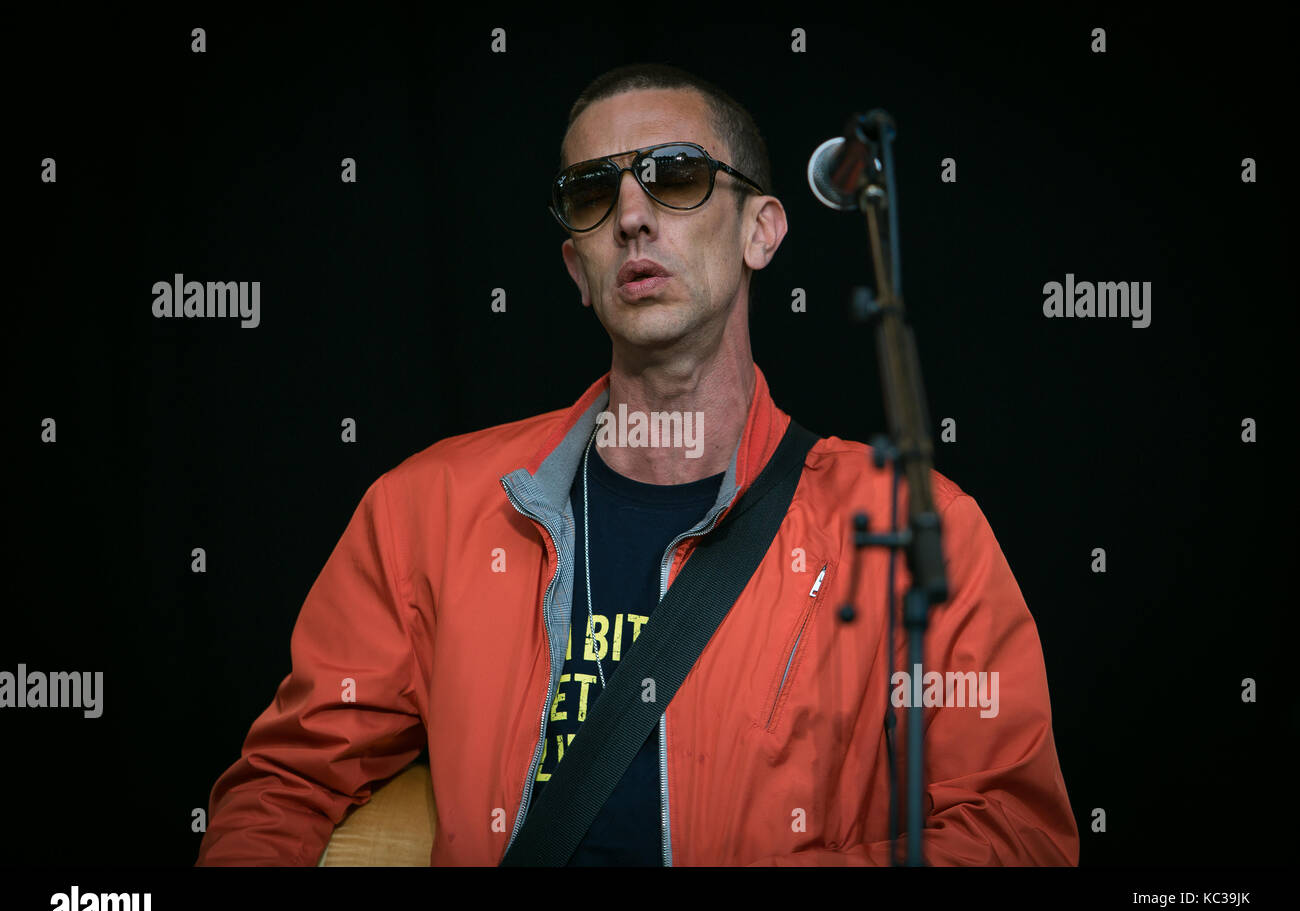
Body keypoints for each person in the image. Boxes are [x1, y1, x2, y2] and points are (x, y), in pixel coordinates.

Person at [196, 63, 1079, 866]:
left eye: (677, 176)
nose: (630, 214)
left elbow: (1016, 834)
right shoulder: (422, 508)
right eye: (591, 193)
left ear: (762, 231)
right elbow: (285, 786)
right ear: (577, 269)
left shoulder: (909, 525)